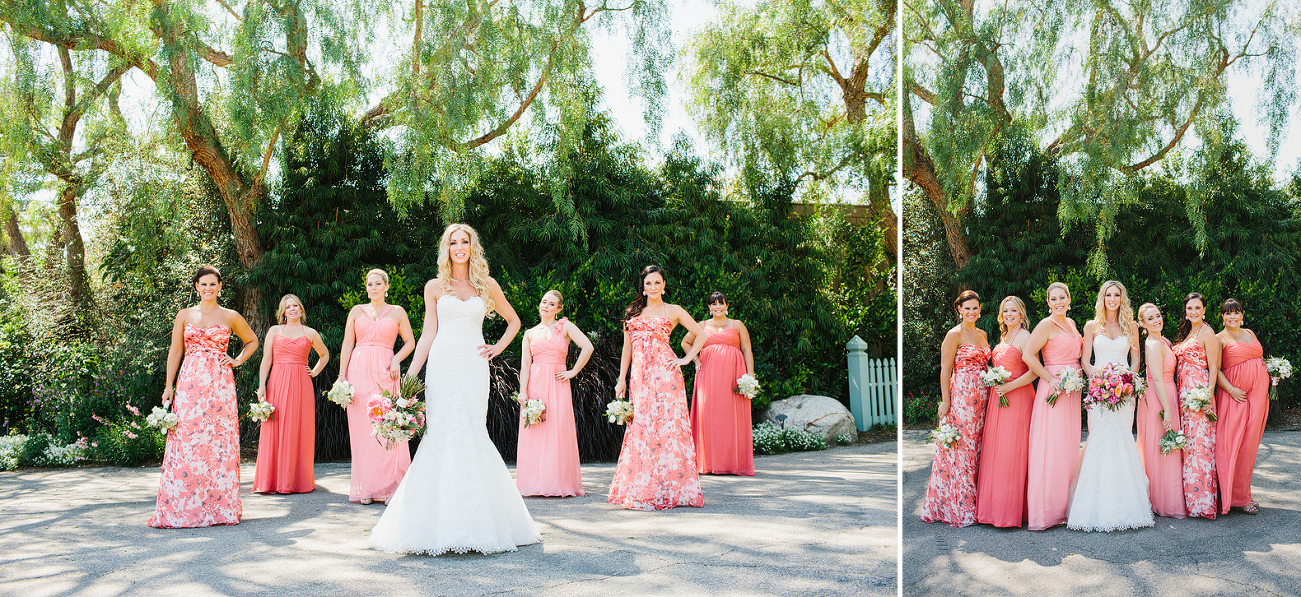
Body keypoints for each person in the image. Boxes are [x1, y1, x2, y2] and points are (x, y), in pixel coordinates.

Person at [368, 223, 539, 555]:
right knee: (441, 434)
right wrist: (410, 378)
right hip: (443, 366)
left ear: (473, 247)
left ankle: (483, 522)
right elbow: (428, 333)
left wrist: (498, 347)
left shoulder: (486, 284)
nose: (459, 247)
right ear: (445, 248)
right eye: (453, 242)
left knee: (473, 431)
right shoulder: (434, 286)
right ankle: (434, 524)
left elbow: (515, 320)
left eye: (465, 241)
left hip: (474, 367)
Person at [149, 265, 258, 528]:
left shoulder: (231, 316)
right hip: (189, 383)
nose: (208, 288)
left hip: (220, 383)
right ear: (196, 287)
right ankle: (184, 506)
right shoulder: (184, 315)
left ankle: (219, 509)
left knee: (218, 443)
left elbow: (252, 341)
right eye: (203, 284)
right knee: (188, 440)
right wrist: (168, 385)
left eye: (213, 284)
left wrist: (237, 360)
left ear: (220, 287)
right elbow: (175, 351)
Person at [608, 265, 709, 511]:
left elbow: (701, 334)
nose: (652, 288)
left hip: (666, 376)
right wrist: (621, 379)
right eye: (648, 283)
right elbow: (627, 349)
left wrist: (686, 359)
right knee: (642, 426)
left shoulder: (673, 310)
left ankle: (671, 487)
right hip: (640, 377)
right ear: (642, 287)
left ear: (664, 285)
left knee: (668, 428)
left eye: (657, 283)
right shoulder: (632, 312)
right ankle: (642, 486)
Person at [1065, 281, 1153, 532]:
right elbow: (1085, 361)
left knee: (1123, 437)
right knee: (1100, 438)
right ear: (1102, 298)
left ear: (1122, 298)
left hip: (1125, 392)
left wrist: (1128, 382)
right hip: (1099, 391)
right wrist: (1099, 380)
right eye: (1108, 295)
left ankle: (1129, 504)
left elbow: (1135, 361)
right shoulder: (1092, 326)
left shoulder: (1132, 326)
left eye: (1116, 295)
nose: (1112, 299)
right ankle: (1093, 506)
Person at [337, 268, 416, 504]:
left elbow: (411, 342)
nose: (373, 288)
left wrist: (396, 359)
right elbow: (347, 344)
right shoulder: (356, 311)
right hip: (358, 371)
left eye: (378, 284)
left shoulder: (398, 312)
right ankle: (368, 489)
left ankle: (391, 488)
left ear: (386, 286)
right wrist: (342, 376)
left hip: (385, 371)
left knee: (386, 426)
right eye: (370, 284)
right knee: (362, 430)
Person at [920, 290, 990, 527]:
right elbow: (945, 369)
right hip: (962, 397)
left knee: (978, 448)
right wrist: (946, 401)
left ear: (980, 311)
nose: (971, 312)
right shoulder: (954, 335)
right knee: (962, 450)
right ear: (959, 309)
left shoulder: (982, 334)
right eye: (967, 308)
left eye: (975, 308)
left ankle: (979, 503)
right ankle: (959, 506)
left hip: (983, 398)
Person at [515, 289, 594, 497]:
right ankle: (533, 483)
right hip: (536, 384)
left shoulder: (565, 327)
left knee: (557, 429)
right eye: (544, 302)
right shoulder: (529, 333)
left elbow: (587, 347)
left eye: (551, 304)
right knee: (535, 431)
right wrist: (523, 392)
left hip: (558, 383)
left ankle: (558, 483)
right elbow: (525, 363)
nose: (545, 306)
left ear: (559, 309)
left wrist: (573, 371)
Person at [253, 294, 329, 494]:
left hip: (301, 383)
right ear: (283, 311)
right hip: (277, 380)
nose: (293, 309)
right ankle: (271, 481)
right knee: (275, 425)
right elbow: (266, 360)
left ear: (301, 309)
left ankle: (295, 481)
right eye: (288, 307)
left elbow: (325, 354)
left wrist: (315, 370)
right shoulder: (274, 330)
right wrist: (262, 386)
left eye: (296, 305)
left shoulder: (310, 332)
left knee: (297, 427)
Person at [1023, 282, 1083, 531]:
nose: (1059, 303)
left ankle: (1064, 507)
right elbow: (1028, 355)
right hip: (1054, 391)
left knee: (1068, 447)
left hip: (1073, 391)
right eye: (1054, 299)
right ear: (1048, 303)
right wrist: (1050, 380)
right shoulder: (1045, 325)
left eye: (1062, 298)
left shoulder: (1072, 324)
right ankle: (1046, 511)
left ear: (1069, 300)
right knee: (1051, 447)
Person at [974, 296, 1037, 528]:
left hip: (1018, 398)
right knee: (997, 452)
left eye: (1014, 311)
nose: (1009, 314)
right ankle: (994, 509)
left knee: (1012, 452)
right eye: (1006, 311)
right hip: (998, 400)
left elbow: (1034, 371)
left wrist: (1009, 386)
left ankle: (1012, 512)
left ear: (1022, 314)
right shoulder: (1004, 336)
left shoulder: (1025, 337)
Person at [682, 291, 756, 476]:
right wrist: (696, 361)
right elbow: (685, 343)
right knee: (710, 416)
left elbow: (746, 349)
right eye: (714, 304)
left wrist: (750, 374)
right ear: (709, 307)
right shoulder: (701, 325)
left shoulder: (737, 325)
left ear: (727, 306)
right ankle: (708, 462)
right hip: (708, 376)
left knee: (733, 416)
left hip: (734, 376)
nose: (718, 307)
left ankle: (734, 463)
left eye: (721, 303)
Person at [1214, 298, 1268, 515]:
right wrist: (1231, 389)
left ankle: (1243, 495)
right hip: (1234, 397)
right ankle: (1228, 497)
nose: (1232, 317)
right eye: (1228, 314)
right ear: (1222, 316)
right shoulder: (1219, 339)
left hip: (1257, 396)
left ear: (1242, 315)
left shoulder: (1251, 333)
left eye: (1236, 313)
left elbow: (1258, 359)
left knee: (1249, 447)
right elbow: (1215, 370)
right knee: (1232, 444)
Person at [1135, 303, 1187, 519]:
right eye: (1150, 318)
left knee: (1169, 446)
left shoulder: (1163, 340)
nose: (1156, 320)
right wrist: (1166, 408)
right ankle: (1160, 500)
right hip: (1158, 398)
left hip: (1168, 393)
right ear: (1143, 324)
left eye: (1158, 315)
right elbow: (1156, 378)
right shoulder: (1153, 344)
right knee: (1161, 446)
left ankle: (1169, 496)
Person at [1173, 292, 1219, 519]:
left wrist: (1208, 397)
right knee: (1188, 447)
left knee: (1200, 448)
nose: (1193, 312)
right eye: (1189, 308)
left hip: (1199, 396)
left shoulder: (1208, 333)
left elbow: (1213, 368)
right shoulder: (1188, 331)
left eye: (1197, 308)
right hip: (1183, 395)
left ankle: (1203, 504)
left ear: (1204, 310)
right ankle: (1191, 501)